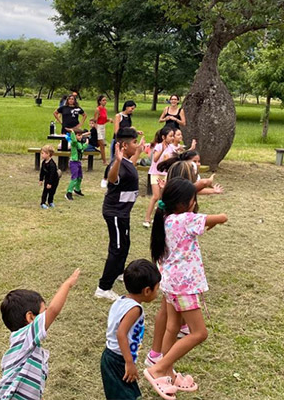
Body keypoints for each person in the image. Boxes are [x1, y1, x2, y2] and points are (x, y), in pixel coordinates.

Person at [143, 178, 227, 398]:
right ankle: (158, 369)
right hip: (184, 287)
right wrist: (214, 220)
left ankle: (167, 370)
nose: (195, 201)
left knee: (173, 327)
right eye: (193, 199)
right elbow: (222, 217)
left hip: (171, 283)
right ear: (183, 203)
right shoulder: (187, 219)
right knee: (199, 333)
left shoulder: (167, 219)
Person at [0, 269, 80, 400]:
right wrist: (67, 284)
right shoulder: (25, 337)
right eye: (43, 313)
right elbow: (54, 310)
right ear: (30, 317)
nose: (46, 316)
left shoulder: (22, 343)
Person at [95, 127, 145, 301]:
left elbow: (131, 165)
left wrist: (138, 150)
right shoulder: (118, 164)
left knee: (125, 244)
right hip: (115, 212)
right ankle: (103, 287)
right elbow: (112, 178)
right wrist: (116, 160)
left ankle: (118, 272)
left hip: (123, 213)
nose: (136, 145)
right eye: (133, 143)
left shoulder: (128, 162)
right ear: (123, 145)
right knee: (116, 248)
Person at [101, 259, 161, 400]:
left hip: (112, 357)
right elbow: (121, 333)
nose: (158, 292)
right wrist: (129, 362)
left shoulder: (121, 301)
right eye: (157, 288)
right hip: (118, 360)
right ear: (147, 290)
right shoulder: (134, 309)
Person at [144, 127, 177, 228]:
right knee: (155, 196)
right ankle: (147, 218)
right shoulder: (158, 146)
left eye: (173, 136)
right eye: (170, 136)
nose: (172, 138)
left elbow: (173, 159)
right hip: (155, 173)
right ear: (163, 137)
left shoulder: (172, 148)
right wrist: (162, 149)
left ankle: (158, 218)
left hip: (165, 174)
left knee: (162, 198)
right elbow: (155, 160)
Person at [65, 127, 90, 201]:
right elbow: (74, 141)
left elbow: (81, 148)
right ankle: (68, 192)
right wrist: (72, 132)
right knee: (74, 178)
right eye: (79, 135)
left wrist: (86, 144)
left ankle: (77, 190)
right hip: (73, 162)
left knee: (79, 177)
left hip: (78, 162)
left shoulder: (79, 143)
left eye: (81, 135)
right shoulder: (74, 143)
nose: (81, 137)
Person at [93, 95, 113, 164]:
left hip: (103, 127)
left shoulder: (105, 109)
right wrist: (96, 129)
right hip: (98, 126)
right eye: (103, 100)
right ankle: (104, 161)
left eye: (105, 100)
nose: (105, 102)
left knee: (102, 144)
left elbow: (104, 120)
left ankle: (103, 158)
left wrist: (109, 120)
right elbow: (95, 120)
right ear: (100, 101)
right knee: (102, 144)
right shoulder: (98, 109)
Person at [39, 144, 59, 209]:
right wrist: (41, 179)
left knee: (52, 192)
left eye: (43, 153)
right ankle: (43, 203)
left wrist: (50, 183)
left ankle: (50, 202)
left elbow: (52, 174)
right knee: (45, 191)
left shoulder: (52, 164)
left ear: (48, 154)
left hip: (54, 180)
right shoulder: (44, 162)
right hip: (47, 179)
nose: (41, 155)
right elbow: (42, 172)